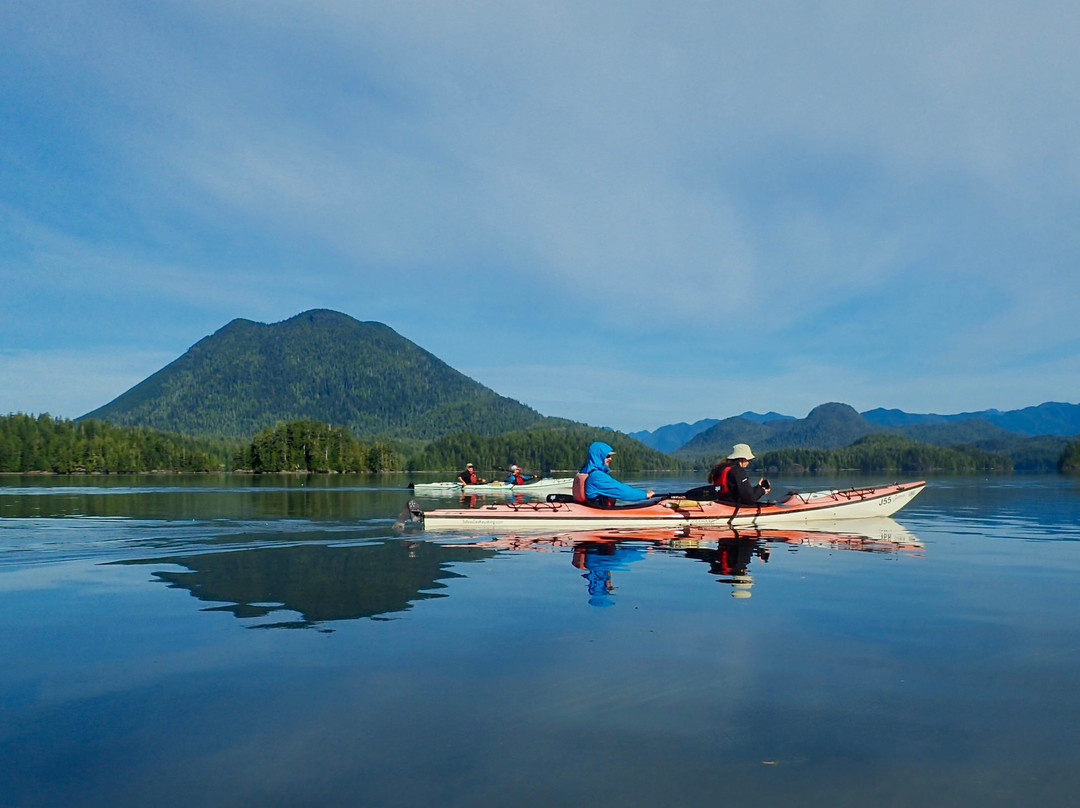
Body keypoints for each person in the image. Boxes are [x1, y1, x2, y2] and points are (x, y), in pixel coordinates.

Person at [575, 441, 655, 505]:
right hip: (598, 512)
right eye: (607, 456)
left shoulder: (586, 472)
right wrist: (645, 495)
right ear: (598, 457)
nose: (610, 459)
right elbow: (622, 491)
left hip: (593, 507)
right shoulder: (597, 477)